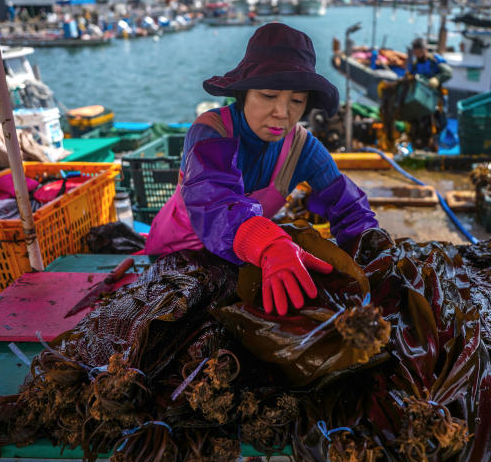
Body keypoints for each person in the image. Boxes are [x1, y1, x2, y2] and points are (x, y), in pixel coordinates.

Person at [145, 22, 378, 315]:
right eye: (268, 96)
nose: (282, 112)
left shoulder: (302, 148)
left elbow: (348, 208)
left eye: (297, 100)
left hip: (238, 261)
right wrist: (267, 244)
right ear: (243, 95)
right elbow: (216, 203)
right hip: (175, 256)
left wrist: (373, 254)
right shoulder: (210, 132)